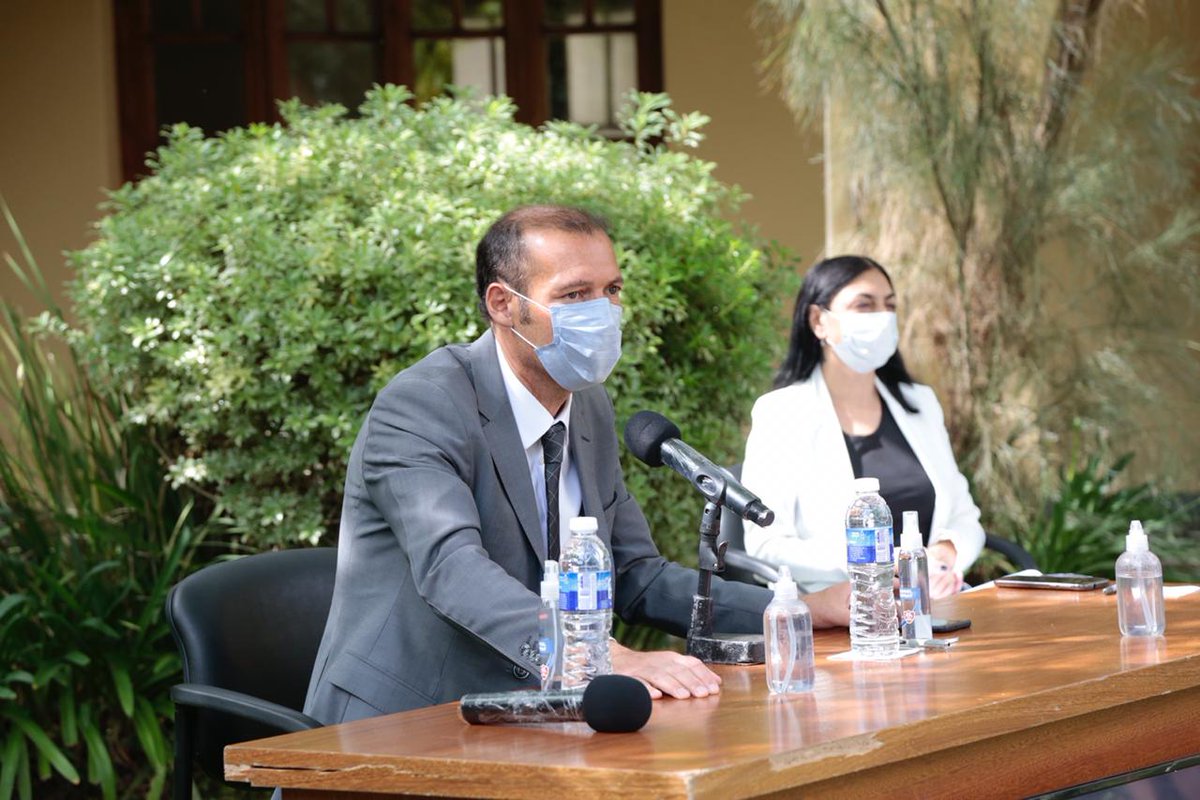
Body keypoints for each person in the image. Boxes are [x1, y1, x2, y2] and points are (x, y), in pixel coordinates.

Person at [303, 205, 850, 725]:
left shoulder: (587, 404)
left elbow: (636, 575)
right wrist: (600, 655)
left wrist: (798, 608)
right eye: (574, 294)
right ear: (503, 304)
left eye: (612, 291)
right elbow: (451, 569)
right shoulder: (425, 403)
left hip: (536, 716)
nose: (603, 312)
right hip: (404, 720)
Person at [741, 255, 985, 599]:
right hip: (839, 610)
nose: (882, 318)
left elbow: (964, 515)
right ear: (818, 321)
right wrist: (878, 562)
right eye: (864, 305)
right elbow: (766, 544)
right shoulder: (781, 413)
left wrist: (943, 556)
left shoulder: (920, 404)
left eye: (890, 306)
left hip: (935, 602)